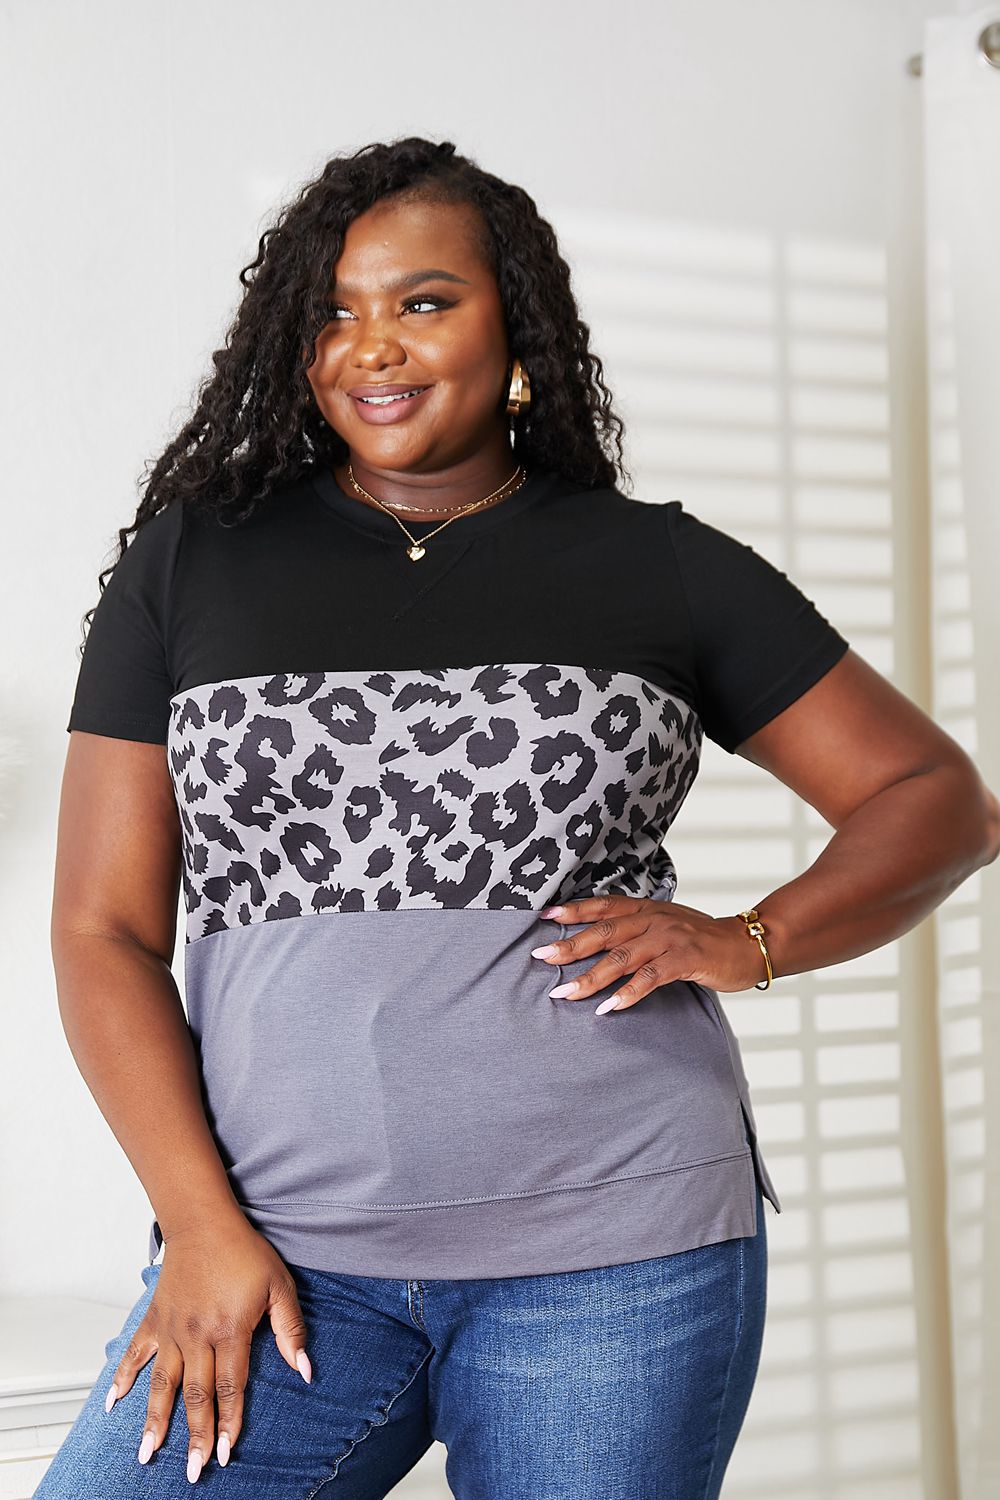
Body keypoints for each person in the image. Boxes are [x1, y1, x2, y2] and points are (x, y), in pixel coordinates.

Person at [40, 136, 999, 1500]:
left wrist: (750, 938)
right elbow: (103, 930)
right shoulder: (194, 565)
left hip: (619, 1250)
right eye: (333, 312)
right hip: (279, 1249)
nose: (373, 346)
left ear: (516, 327)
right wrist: (199, 1228)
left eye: (423, 302)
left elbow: (940, 800)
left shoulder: (655, 565)